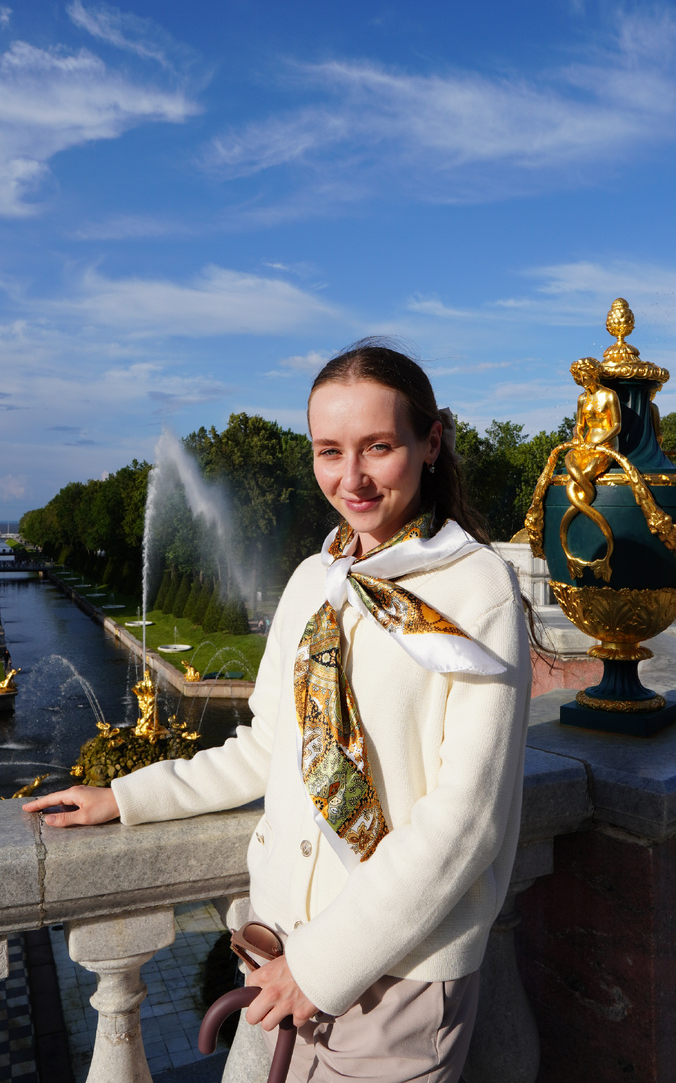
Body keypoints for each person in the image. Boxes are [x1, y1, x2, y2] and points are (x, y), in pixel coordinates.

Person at [25, 342, 531, 1083]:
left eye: (378, 447)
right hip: (275, 946)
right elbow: (269, 747)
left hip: (396, 976)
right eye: (329, 451)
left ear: (430, 443)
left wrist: (319, 968)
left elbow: (466, 822)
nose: (350, 478)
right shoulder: (312, 580)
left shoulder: (476, 588)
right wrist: (126, 797)